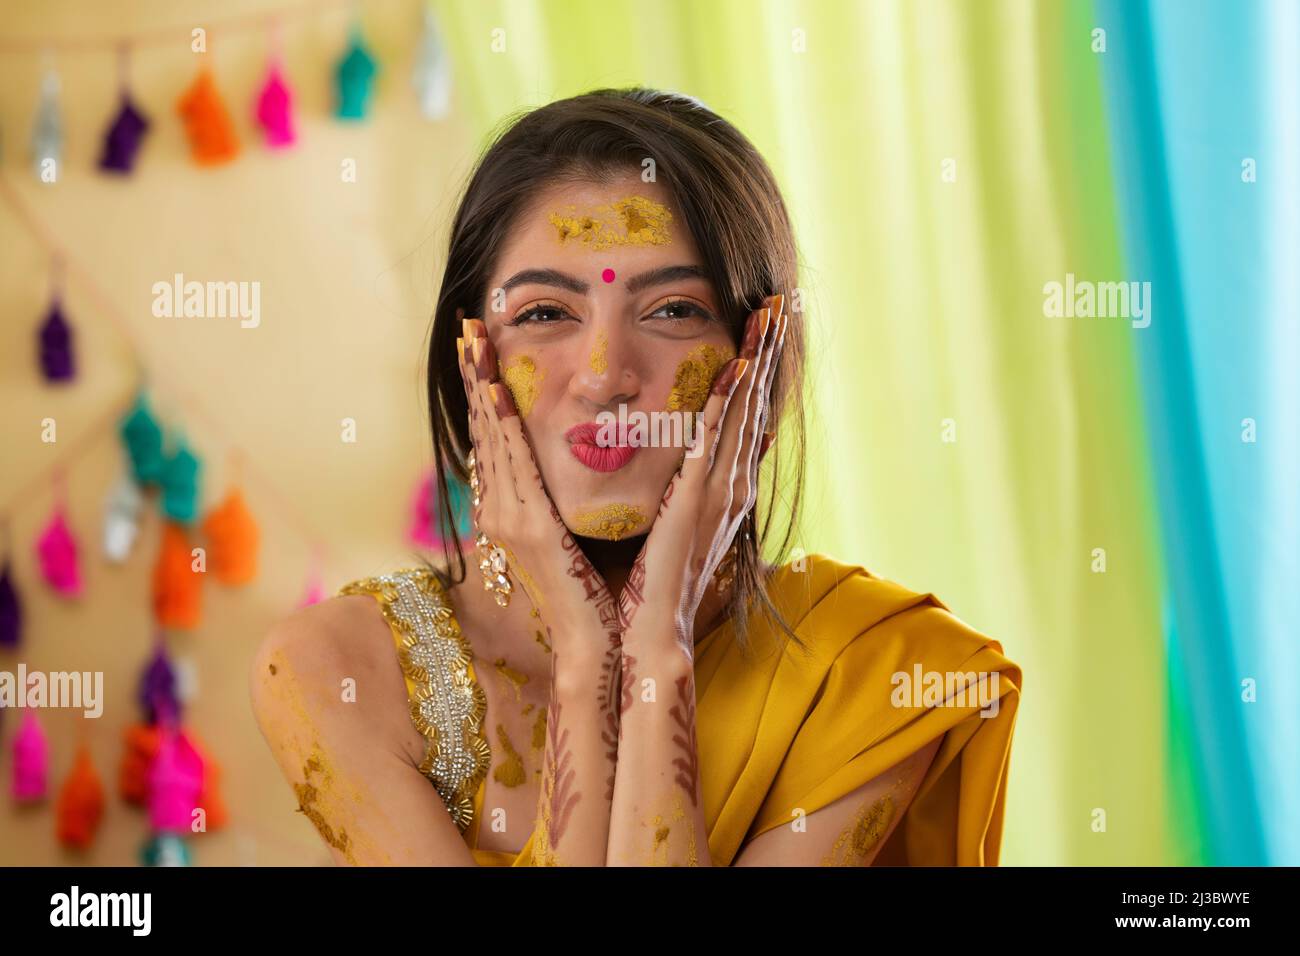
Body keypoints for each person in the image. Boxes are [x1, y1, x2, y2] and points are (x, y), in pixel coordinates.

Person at [250, 87, 1021, 866]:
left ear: (760, 360)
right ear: (471, 357)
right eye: (545, 314)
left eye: (675, 311)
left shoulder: (877, 672)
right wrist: (589, 662)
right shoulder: (342, 669)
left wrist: (657, 654)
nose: (604, 376)